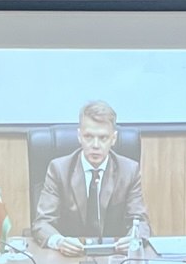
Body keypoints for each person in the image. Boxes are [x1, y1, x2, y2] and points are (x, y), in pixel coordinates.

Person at [32, 100, 150, 255]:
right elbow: (42, 223)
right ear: (79, 136)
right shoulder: (59, 169)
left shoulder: (129, 171)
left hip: (115, 257)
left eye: (103, 138)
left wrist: (134, 239)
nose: (95, 145)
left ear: (113, 139)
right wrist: (59, 241)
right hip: (69, 257)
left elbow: (140, 222)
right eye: (88, 136)